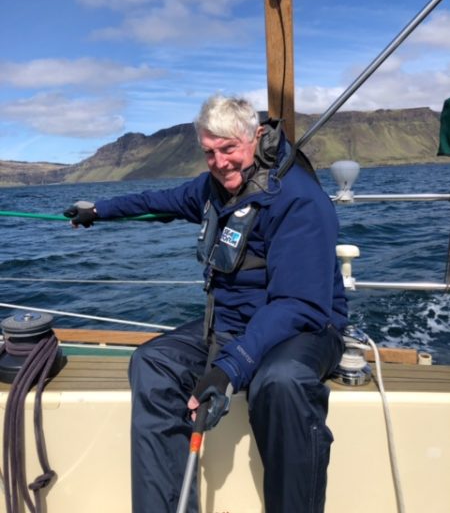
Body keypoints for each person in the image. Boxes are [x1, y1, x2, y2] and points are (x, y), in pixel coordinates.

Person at [64, 95, 348, 513]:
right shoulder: (211, 189)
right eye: (209, 152)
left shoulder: (298, 200)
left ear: (254, 137)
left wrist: (229, 368)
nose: (219, 162)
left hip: (302, 330)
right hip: (233, 326)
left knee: (281, 383)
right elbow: (156, 202)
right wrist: (100, 210)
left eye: (228, 148)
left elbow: (297, 305)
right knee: (153, 364)